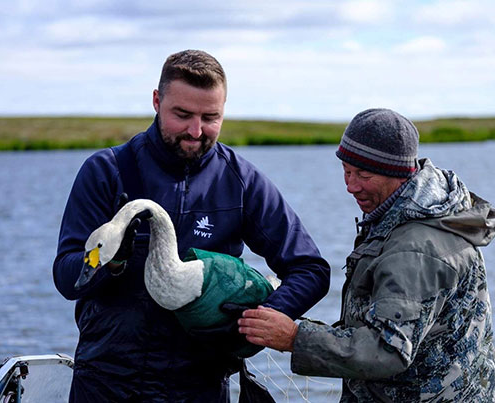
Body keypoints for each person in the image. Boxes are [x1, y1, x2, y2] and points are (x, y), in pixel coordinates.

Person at [53, 49, 330, 402]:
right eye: (182, 115)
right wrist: (111, 263)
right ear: (156, 101)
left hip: (199, 386)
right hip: (106, 382)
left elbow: (310, 269)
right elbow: (66, 277)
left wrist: (263, 318)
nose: (196, 131)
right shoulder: (106, 172)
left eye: (210, 117)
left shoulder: (241, 182)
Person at [238, 108, 495, 401]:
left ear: (400, 172)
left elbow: (386, 350)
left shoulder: (415, 248)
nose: (351, 186)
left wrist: (294, 337)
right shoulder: (417, 208)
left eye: (364, 175)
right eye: (346, 170)